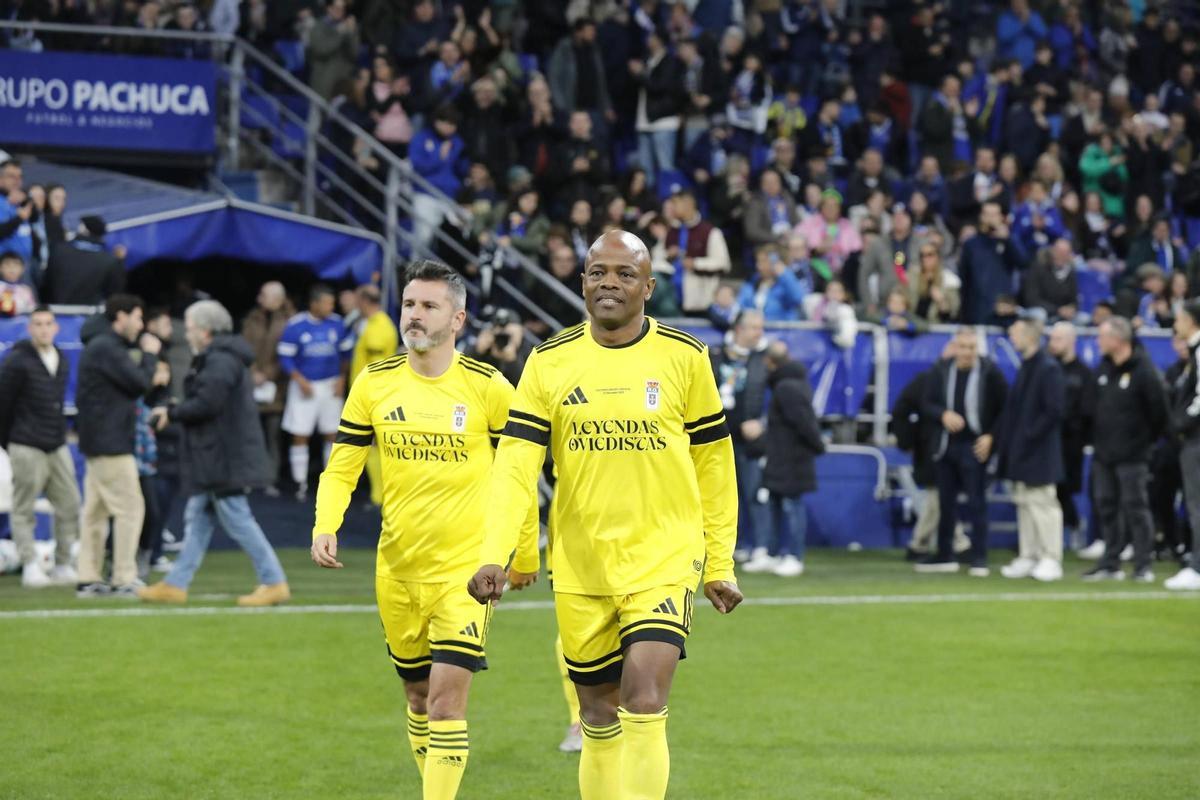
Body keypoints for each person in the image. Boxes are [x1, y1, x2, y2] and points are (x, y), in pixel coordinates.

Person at [468, 231, 742, 800]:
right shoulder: (547, 361)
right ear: (583, 282)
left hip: (663, 557)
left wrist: (720, 561)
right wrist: (495, 553)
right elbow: (515, 467)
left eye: (623, 273)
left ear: (649, 285)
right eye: (598, 273)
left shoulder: (685, 357)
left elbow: (715, 465)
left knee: (644, 699)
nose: (609, 283)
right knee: (598, 716)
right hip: (582, 565)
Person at [311, 261, 538, 800]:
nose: (414, 314)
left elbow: (520, 474)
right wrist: (326, 524)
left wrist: (522, 552)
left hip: (467, 572)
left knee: (445, 702)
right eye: (410, 304)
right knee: (417, 697)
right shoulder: (375, 382)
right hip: (397, 569)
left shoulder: (488, 388)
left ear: (457, 318)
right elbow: (343, 464)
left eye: (429, 306)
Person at [138, 301, 289, 607]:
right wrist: (176, 409)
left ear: (205, 331)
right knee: (198, 516)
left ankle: (273, 581)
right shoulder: (223, 358)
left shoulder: (220, 360)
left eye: (191, 327)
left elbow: (207, 404)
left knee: (237, 518)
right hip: (218, 454)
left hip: (223, 455)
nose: (188, 333)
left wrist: (173, 412)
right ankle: (176, 583)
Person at [74, 294, 162, 598]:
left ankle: (88, 577)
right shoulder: (107, 347)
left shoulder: (103, 347)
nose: (140, 325)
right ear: (120, 317)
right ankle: (124, 577)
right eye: (137, 318)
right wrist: (150, 355)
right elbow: (139, 383)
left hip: (99, 440)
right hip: (110, 442)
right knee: (130, 508)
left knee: (96, 513)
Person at [917, 326, 1008, 575]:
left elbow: (1006, 408)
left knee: (977, 502)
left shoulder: (990, 372)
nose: (967, 353)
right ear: (954, 347)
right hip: (946, 446)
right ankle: (945, 554)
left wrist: (991, 437)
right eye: (962, 347)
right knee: (945, 503)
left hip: (975, 445)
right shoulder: (941, 370)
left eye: (971, 347)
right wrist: (942, 414)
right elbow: (926, 403)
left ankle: (979, 557)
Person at [1083, 317, 1169, 582]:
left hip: (1133, 455)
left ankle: (1143, 565)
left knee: (1136, 508)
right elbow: (1092, 407)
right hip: (1104, 453)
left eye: (1102, 336)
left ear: (1118, 340)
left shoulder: (1144, 371)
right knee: (1106, 506)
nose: (1098, 342)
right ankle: (1111, 563)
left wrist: (1143, 442)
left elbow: (1159, 414)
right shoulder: (1104, 369)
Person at [0, 307, 79, 587]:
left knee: (69, 503)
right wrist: (8, 442)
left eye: (48, 324)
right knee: (24, 507)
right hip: (25, 442)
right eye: (38, 324)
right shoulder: (16, 361)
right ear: (30, 328)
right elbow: (4, 404)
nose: (44, 329)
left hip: (56, 442)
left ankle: (64, 563)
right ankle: (30, 563)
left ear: (56, 328)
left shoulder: (62, 358)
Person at [996, 317, 1066, 581]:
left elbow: (1054, 411)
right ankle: (1029, 554)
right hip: (1022, 451)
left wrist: (1028, 436)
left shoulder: (1048, 368)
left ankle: (1051, 557)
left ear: (1031, 336)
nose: (1013, 339)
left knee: (1043, 505)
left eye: (1016, 334)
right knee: (1024, 504)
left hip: (1040, 451)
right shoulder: (1027, 367)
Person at [278, 284, 352, 501]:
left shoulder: (338, 324)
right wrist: (299, 379)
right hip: (304, 386)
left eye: (332, 303)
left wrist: (342, 379)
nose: (331, 306)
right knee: (300, 434)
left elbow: (347, 354)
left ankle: (331, 483)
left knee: (332, 433)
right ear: (314, 303)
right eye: (327, 303)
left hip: (330, 385)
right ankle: (300, 483)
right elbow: (285, 357)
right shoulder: (296, 325)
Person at [760, 341, 825, 578]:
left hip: (792, 458)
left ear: (770, 362)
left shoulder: (787, 387)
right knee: (777, 504)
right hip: (784, 456)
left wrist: (818, 445)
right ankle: (774, 553)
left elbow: (804, 422)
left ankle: (794, 556)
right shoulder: (792, 383)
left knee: (792, 506)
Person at [710, 310, 769, 566]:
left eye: (760, 327)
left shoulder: (764, 360)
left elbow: (779, 399)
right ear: (738, 329)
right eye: (754, 327)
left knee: (753, 492)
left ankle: (760, 546)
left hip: (749, 442)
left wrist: (762, 422)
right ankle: (735, 545)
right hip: (715, 439)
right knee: (721, 497)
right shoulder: (712, 355)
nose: (759, 333)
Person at [1045, 323, 1096, 553]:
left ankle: (1073, 526)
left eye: (1057, 339)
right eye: (1051, 338)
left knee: (1062, 488)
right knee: (1048, 490)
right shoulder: (1046, 369)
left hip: (1070, 442)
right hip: (1047, 440)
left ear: (1070, 340)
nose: (1052, 343)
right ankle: (1053, 536)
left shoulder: (1083, 373)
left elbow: (1087, 411)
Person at [241, 281, 294, 495]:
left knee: (273, 436)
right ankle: (248, 478)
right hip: (252, 385)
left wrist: (269, 374)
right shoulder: (252, 318)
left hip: (277, 388)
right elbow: (244, 347)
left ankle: (269, 479)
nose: (259, 299)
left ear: (278, 299)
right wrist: (253, 372)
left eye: (264, 295)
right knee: (249, 435)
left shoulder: (290, 321)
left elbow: (289, 353)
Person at [1165, 300, 1200, 590]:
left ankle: (1198, 567)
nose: (1175, 324)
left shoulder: (1199, 352)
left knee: (1196, 504)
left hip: (1197, 440)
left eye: (1179, 319)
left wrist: (1181, 422)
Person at [664, 189, 732, 314]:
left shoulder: (710, 232)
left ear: (688, 204)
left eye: (675, 203)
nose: (671, 207)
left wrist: (695, 263)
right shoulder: (671, 230)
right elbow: (657, 259)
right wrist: (667, 255)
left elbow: (723, 263)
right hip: (671, 297)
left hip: (700, 300)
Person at [959, 202, 1024, 324]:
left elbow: (1023, 263)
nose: (991, 219)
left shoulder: (1009, 241)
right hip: (978, 310)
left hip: (1004, 310)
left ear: (1001, 217)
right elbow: (965, 279)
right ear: (981, 217)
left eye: (994, 214)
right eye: (987, 214)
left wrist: (1007, 239)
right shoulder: (971, 245)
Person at [42, 215, 126, 305]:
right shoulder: (109, 261)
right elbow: (115, 294)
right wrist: (120, 262)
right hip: (90, 314)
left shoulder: (58, 250)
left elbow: (46, 284)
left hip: (56, 311)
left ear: (85, 230)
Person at [736, 244, 806, 322]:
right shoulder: (753, 282)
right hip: (755, 330)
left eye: (763, 261)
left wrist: (785, 274)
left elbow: (797, 299)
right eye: (758, 261)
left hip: (781, 331)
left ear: (776, 262)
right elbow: (741, 305)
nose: (758, 266)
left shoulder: (785, 284)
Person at [307, 0, 360, 100]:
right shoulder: (318, 26)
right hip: (322, 83)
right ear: (329, 8)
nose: (340, 11)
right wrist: (339, 34)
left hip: (342, 84)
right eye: (337, 8)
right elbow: (322, 50)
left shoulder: (347, 28)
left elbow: (354, 54)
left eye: (342, 9)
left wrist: (352, 33)